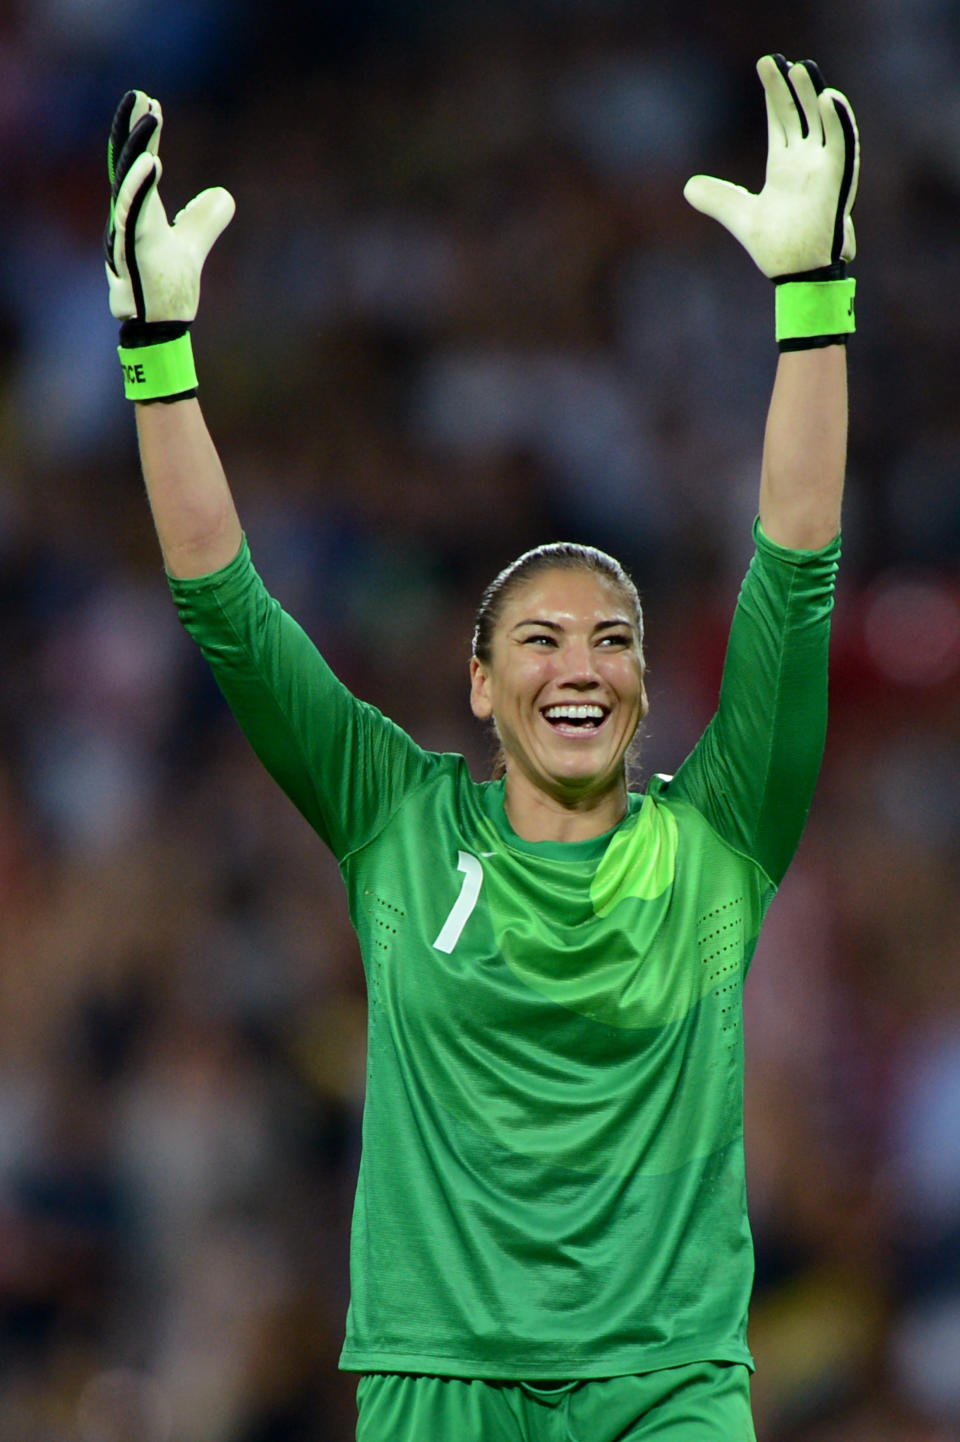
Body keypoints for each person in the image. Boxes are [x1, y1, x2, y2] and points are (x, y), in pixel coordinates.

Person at [104, 52, 859, 1442]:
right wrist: (159, 357)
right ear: (475, 683)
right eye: (539, 636)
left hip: (668, 1388)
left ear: (641, 686)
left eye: (611, 637)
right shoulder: (395, 818)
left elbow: (797, 567)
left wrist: (816, 313)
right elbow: (223, 600)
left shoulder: (722, 835)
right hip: (439, 1387)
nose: (579, 661)